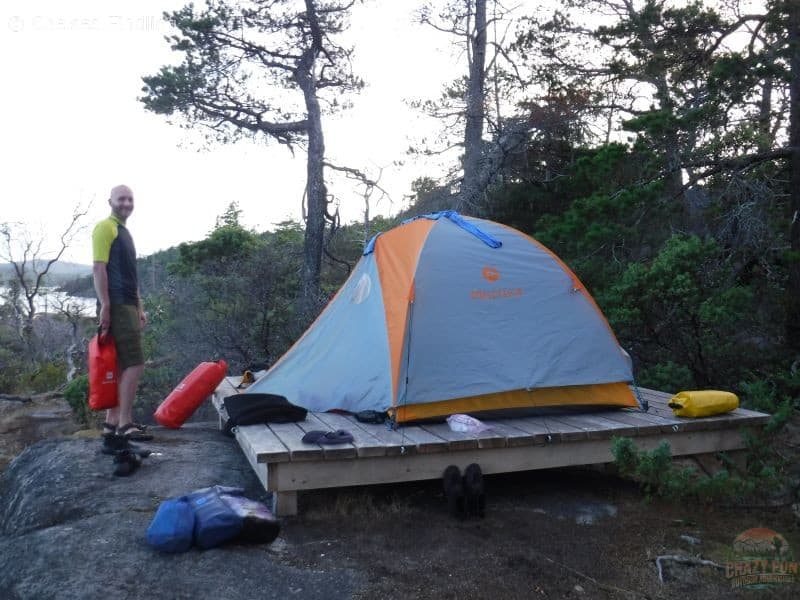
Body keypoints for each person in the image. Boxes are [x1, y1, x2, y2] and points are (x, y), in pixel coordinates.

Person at [92, 184, 151, 441]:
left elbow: (130, 274)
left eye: (130, 199)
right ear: (110, 201)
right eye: (121, 199)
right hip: (116, 304)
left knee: (119, 365)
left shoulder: (123, 231)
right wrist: (105, 304)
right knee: (135, 363)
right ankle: (125, 424)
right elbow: (98, 267)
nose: (126, 203)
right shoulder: (105, 227)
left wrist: (139, 306)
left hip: (127, 304)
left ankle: (112, 423)